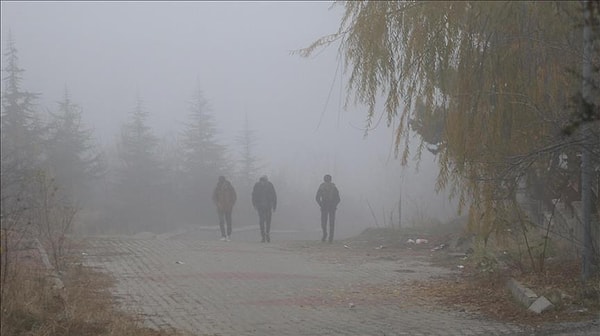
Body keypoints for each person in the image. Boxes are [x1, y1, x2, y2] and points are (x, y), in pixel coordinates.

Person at [315, 174, 340, 243]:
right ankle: (330, 238)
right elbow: (338, 199)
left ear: (324, 179)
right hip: (331, 207)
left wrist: (321, 205)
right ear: (330, 179)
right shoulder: (334, 187)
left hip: (324, 206)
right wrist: (334, 205)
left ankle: (325, 235)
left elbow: (317, 198)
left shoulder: (322, 187)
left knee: (323, 222)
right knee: (331, 223)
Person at [252, 175, 277, 242]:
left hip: (268, 206)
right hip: (260, 207)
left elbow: (274, 195)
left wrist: (274, 206)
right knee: (261, 221)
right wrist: (254, 204)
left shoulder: (270, 185)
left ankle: (267, 233)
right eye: (262, 181)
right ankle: (263, 236)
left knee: (268, 221)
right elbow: (253, 195)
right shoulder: (257, 186)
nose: (263, 183)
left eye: (264, 181)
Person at [212, 176, 237, 241]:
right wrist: (217, 204)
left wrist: (231, 204)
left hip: (228, 207)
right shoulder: (217, 188)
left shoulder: (230, 188)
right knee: (221, 221)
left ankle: (228, 235)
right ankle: (223, 235)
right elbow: (214, 197)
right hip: (220, 207)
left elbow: (234, 196)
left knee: (228, 221)